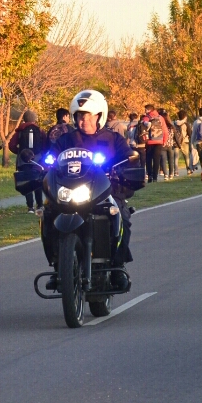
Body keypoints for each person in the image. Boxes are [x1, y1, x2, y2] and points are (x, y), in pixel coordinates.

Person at [44, 90, 135, 287]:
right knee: (48, 214)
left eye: (86, 116)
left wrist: (128, 168)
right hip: (70, 192)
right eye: (79, 116)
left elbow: (129, 159)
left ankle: (118, 266)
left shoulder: (114, 139)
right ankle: (59, 266)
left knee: (122, 216)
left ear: (99, 116)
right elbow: (50, 159)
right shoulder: (66, 140)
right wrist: (41, 167)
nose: (82, 120)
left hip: (105, 191)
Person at [8, 110, 46, 213]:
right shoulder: (40, 131)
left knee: (26, 182)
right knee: (37, 181)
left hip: (23, 161)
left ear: (24, 118)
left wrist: (20, 152)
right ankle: (40, 205)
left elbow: (11, 145)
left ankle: (30, 207)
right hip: (37, 161)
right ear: (34, 119)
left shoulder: (20, 131)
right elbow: (45, 145)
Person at [139, 104, 166, 183]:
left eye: (146, 109)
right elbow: (165, 130)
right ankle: (155, 177)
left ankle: (149, 175)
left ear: (149, 110)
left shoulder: (146, 118)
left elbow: (142, 130)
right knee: (156, 159)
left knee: (148, 159)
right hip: (159, 141)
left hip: (149, 141)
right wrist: (164, 141)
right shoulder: (160, 118)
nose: (145, 111)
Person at [192, 108, 202, 175]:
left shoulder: (196, 122)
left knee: (201, 158)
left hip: (199, 143)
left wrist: (192, 143)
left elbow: (194, 134)